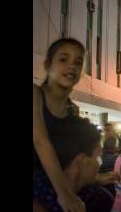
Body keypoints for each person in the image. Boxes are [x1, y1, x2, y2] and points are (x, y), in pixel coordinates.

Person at [33, 38, 87, 212]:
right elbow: (41, 142)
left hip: (54, 181)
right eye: (63, 59)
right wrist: (64, 194)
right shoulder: (35, 94)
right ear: (48, 64)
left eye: (78, 63)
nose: (72, 66)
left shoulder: (72, 110)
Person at [33, 116, 113, 212]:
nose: (99, 165)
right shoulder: (97, 201)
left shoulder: (99, 197)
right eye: (98, 158)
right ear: (81, 161)